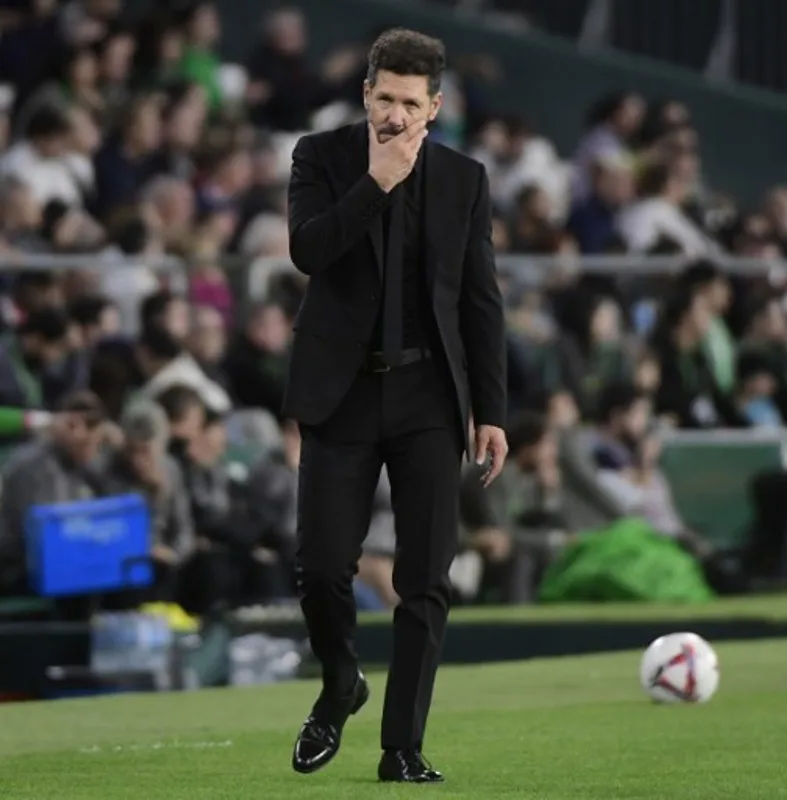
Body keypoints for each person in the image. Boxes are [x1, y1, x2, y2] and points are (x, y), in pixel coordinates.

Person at [284, 28, 507, 784]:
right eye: (385, 98)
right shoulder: (321, 156)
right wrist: (374, 181)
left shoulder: (464, 179)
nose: (395, 115)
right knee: (320, 567)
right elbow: (309, 251)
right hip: (340, 392)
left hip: (428, 396)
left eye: (411, 104)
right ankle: (341, 681)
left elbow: (481, 301)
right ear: (366, 94)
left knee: (426, 577)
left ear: (434, 106)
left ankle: (401, 746)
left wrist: (492, 410)